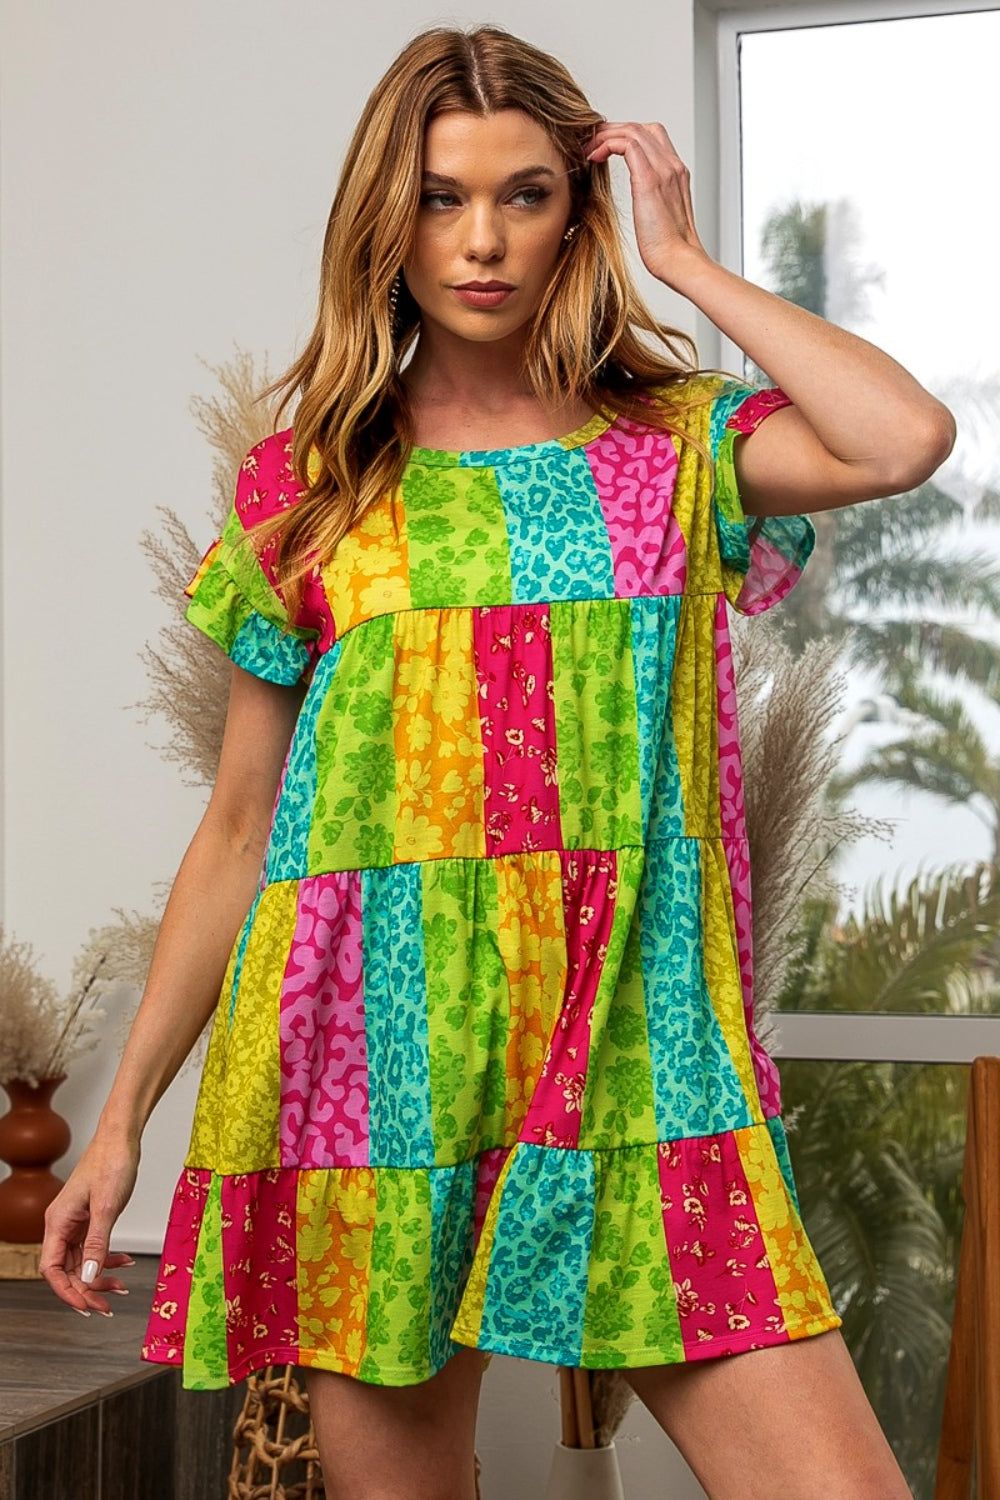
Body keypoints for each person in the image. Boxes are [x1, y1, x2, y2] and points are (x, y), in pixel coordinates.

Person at [40, 22, 952, 1500]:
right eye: (443, 197)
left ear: (575, 213)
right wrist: (122, 1120)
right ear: (383, 219)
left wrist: (692, 271)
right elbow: (240, 826)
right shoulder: (314, 487)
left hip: (643, 1066)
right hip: (373, 1084)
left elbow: (902, 435)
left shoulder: (677, 445)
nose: (482, 242)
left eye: (526, 195)